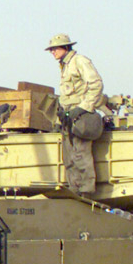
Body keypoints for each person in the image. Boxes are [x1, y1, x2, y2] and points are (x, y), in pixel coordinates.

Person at [46, 34, 107, 196]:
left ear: (66, 47)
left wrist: (83, 108)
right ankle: (75, 188)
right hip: (68, 116)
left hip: (80, 115)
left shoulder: (79, 61)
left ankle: (86, 189)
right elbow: (67, 94)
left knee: (81, 154)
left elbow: (96, 84)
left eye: (55, 48)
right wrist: (60, 117)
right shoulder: (65, 65)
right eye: (51, 49)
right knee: (69, 157)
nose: (52, 52)